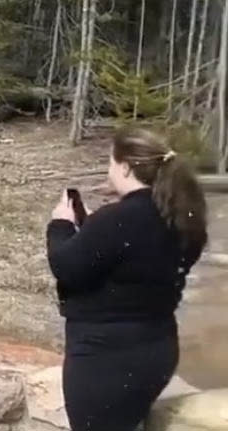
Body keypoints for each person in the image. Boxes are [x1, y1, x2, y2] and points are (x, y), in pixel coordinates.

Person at [45, 127, 209, 431]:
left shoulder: (117, 220)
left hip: (106, 359)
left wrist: (61, 225)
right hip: (156, 349)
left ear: (124, 167)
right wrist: (94, 226)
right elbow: (135, 256)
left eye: (110, 162)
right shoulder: (180, 215)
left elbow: (66, 265)